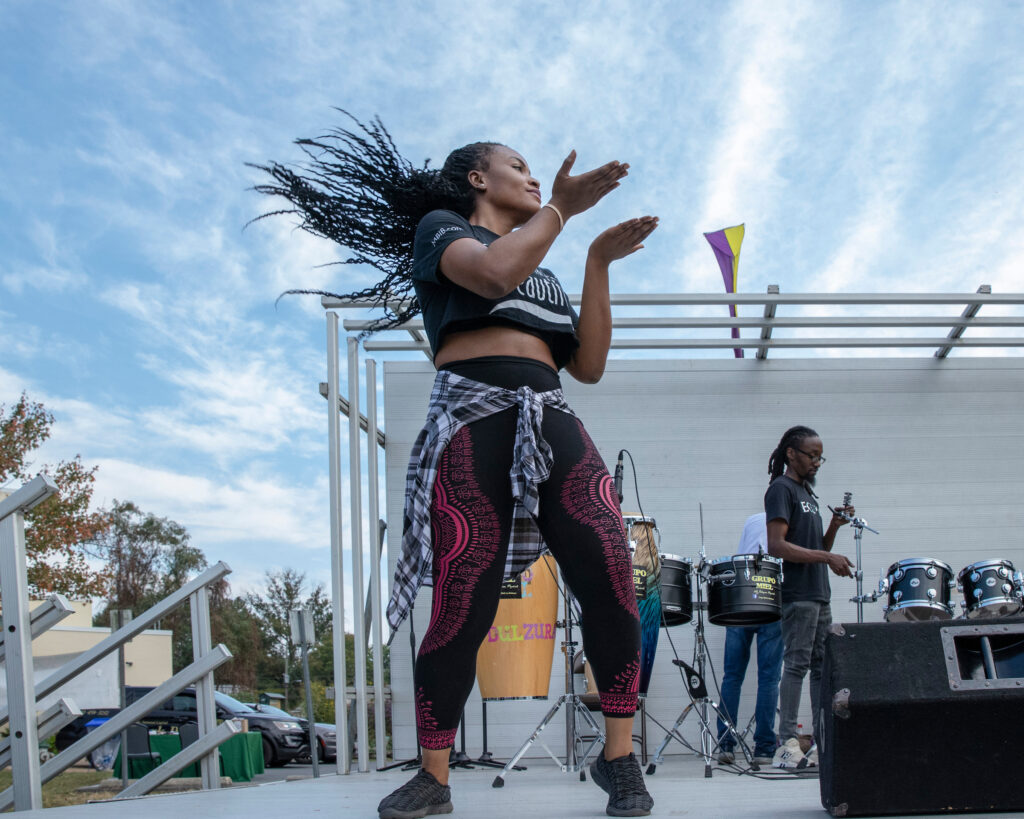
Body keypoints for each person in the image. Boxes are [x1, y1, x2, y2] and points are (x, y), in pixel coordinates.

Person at [253, 115, 659, 818]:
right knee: (462, 594)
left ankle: (618, 758)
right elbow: (495, 270)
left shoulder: (549, 270)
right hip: (472, 419)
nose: (534, 178)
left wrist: (595, 263)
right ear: (478, 179)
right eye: (519, 165)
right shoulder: (444, 230)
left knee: (612, 570)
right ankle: (434, 776)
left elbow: (587, 365)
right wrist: (561, 207)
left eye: (537, 173)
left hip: (551, 415)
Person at [764, 425, 853, 769]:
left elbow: (819, 548)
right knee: (797, 664)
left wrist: (833, 526)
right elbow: (777, 546)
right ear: (791, 453)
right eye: (811, 455)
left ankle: (818, 741)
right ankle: (786, 744)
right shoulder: (781, 489)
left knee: (820, 667)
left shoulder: (808, 495)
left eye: (820, 457)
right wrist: (828, 558)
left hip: (819, 595)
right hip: (799, 596)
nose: (817, 462)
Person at [714, 512, 783, 767]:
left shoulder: (753, 519)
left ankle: (726, 744)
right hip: (769, 597)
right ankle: (764, 748)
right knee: (769, 678)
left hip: (740, 595)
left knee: (732, 676)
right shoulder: (788, 520)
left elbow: (743, 552)